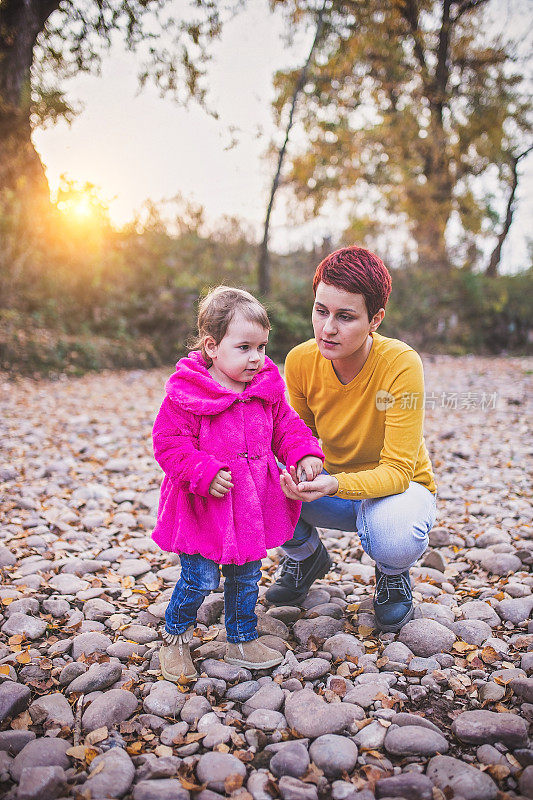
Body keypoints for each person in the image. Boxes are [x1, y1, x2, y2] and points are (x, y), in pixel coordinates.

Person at [152, 286, 324, 681]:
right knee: (199, 578)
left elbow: (287, 427)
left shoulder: (266, 387)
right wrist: (202, 471)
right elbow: (169, 444)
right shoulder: (189, 393)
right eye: (244, 347)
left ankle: (240, 637)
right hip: (204, 505)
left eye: (262, 347)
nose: (256, 358)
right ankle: (175, 635)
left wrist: (304, 453)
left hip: (249, 503)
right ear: (212, 346)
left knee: (246, 574)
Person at [266, 246, 437, 633]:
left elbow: (396, 471)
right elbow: (299, 436)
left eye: (345, 317)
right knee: (253, 472)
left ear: (375, 319)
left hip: (395, 490)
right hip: (332, 490)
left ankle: (392, 573)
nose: (327, 328)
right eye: (320, 310)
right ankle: (305, 556)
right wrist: (302, 465)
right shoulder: (299, 361)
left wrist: (335, 482)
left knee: (393, 536)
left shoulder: (401, 363)